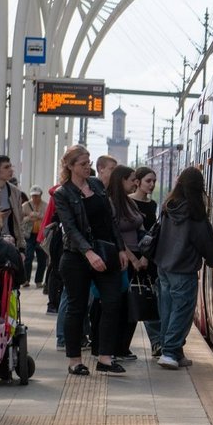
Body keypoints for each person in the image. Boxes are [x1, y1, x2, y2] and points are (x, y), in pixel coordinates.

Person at [54, 145, 128, 375]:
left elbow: (110, 220)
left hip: (106, 253)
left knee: (113, 302)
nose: (88, 168)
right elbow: (71, 229)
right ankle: (75, 360)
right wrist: (89, 253)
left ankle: (105, 357)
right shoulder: (62, 193)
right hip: (77, 257)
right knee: (77, 307)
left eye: (89, 163)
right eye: (83, 164)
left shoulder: (96, 185)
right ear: (70, 166)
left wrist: (120, 248)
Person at [154, 167, 213, 370]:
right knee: (181, 312)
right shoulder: (194, 213)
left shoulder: (168, 206)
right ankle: (170, 352)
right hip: (183, 269)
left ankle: (174, 351)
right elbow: (204, 241)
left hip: (163, 266)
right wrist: (212, 260)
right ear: (199, 188)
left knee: (167, 310)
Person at [105, 165, 144, 361]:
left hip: (136, 258)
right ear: (121, 181)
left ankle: (123, 346)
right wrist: (133, 258)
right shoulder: (111, 203)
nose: (135, 182)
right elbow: (115, 235)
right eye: (132, 179)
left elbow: (141, 229)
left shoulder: (130, 202)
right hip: (122, 259)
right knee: (120, 304)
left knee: (132, 304)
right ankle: (115, 347)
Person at [131, 167, 162, 357]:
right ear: (137, 181)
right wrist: (136, 257)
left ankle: (157, 342)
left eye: (154, 181)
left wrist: (146, 257)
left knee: (150, 297)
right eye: (148, 181)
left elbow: (153, 234)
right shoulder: (128, 202)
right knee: (133, 298)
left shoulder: (152, 205)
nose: (151, 184)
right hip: (131, 256)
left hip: (148, 258)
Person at [0, 155, 26, 261]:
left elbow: (19, 220)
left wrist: (22, 246)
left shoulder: (15, 192)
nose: (10, 170)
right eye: (6, 167)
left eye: (11, 167)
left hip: (11, 242)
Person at [21, 186, 48, 287]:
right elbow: (20, 220)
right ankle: (26, 280)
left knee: (42, 258)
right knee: (28, 256)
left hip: (41, 234)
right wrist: (29, 217)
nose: (35, 198)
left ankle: (38, 281)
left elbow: (47, 219)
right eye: (33, 196)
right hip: (29, 234)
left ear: (41, 195)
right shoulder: (25, 206)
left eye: (37, 196)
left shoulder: (45, 205)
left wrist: (39, 216)